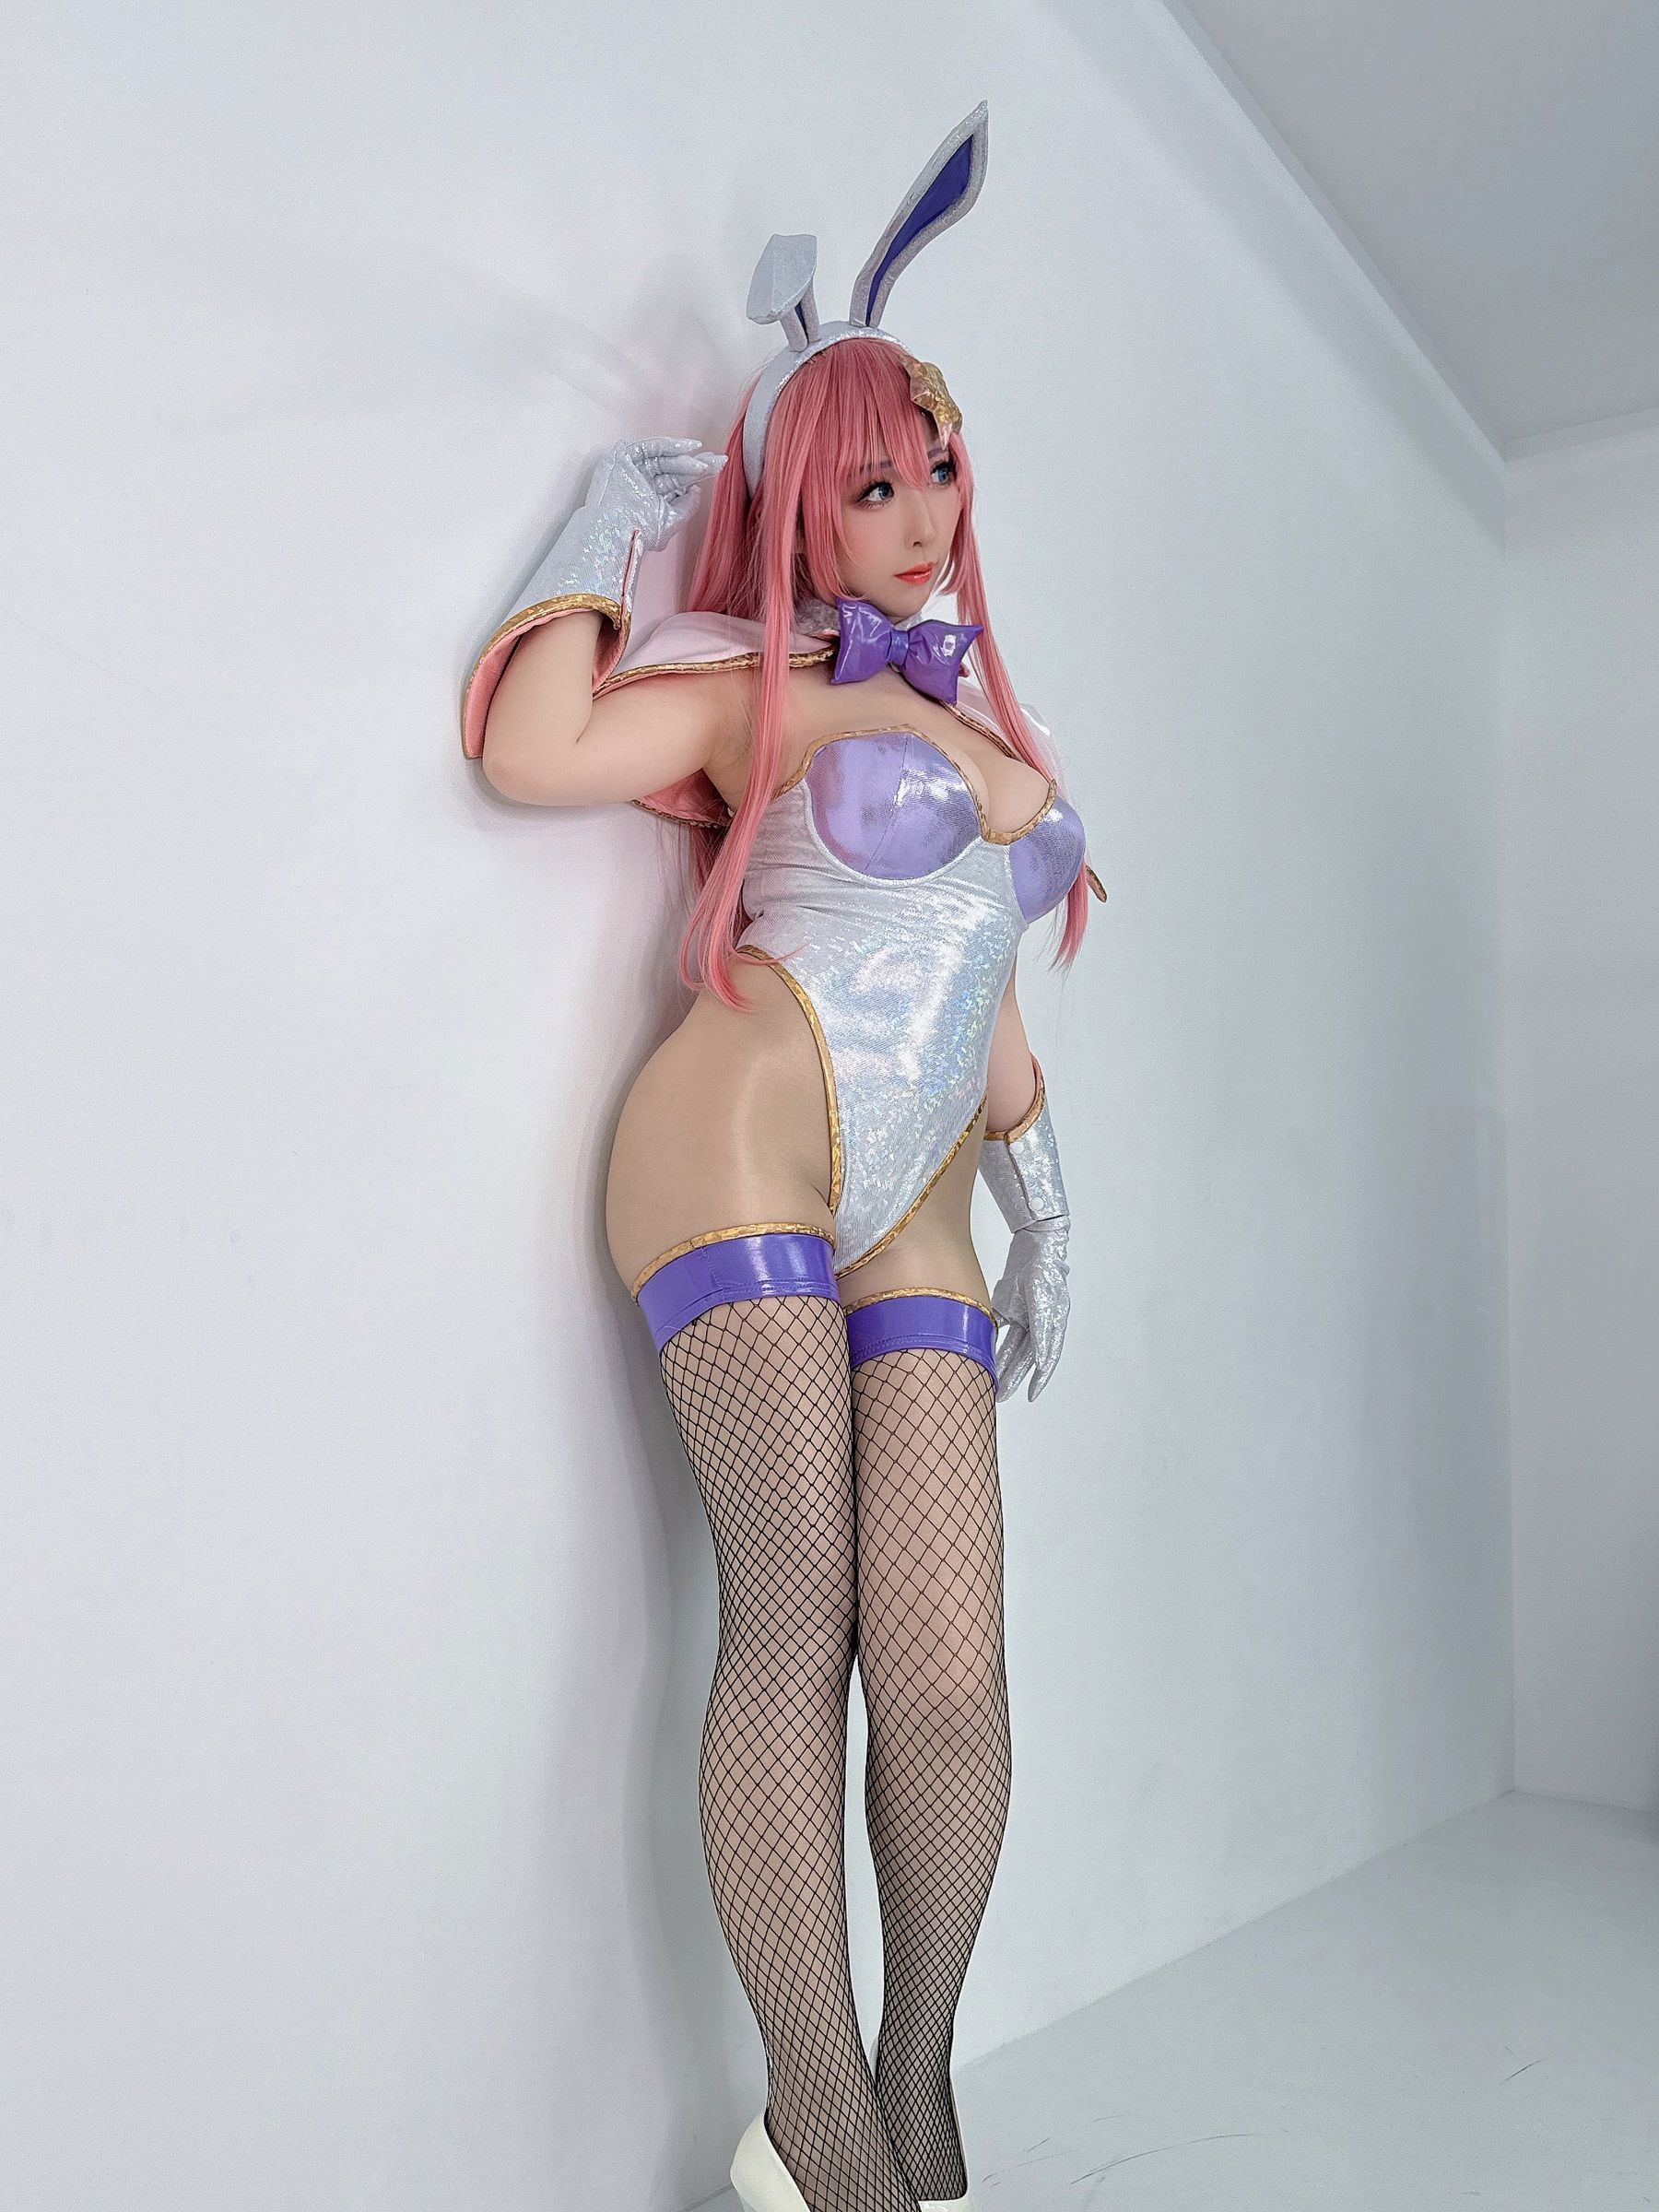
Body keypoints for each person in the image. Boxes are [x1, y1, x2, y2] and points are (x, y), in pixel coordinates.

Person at [461, 101, 1104, 2212]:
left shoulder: (987, 724)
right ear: (798, 508)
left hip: (915, 1180)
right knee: (796, 1624)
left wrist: (1046, 1198)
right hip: (741, 1132)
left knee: (952, 1675)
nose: (919, 514)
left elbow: (987, 1002)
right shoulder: (766, 692)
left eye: (938, 467)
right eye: (871, 482)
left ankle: (913, 2092)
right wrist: (602, 528)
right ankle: (818, 2133)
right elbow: (538, 753)